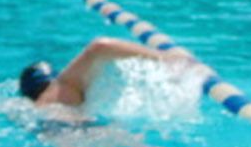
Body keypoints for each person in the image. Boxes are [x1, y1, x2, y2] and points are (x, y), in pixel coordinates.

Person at [17, 36, 187, 117]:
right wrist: (166, 58)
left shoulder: (36, 107)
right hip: (84, 129)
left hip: (53, 132)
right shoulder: (64, 84)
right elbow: (100, 46)